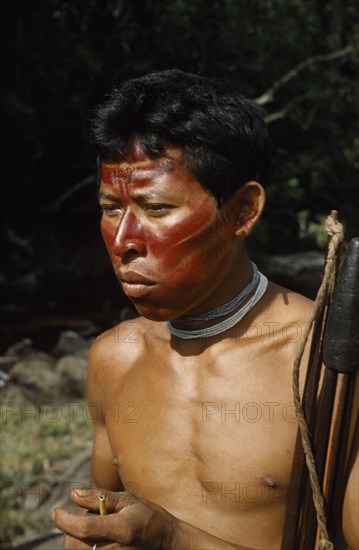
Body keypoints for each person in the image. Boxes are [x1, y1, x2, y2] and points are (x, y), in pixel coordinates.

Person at [52, 70, 358, 549]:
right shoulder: (113, 360)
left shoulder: (326, 368)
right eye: (111, 207)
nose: (124, 240)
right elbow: (103, 520)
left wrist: (172, 537)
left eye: (156, 209)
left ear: (242, 212)